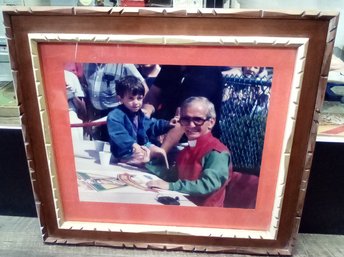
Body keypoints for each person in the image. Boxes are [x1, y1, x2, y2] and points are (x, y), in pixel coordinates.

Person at [146, 97, 232, 207]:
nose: (191, 125)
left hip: (205, 216)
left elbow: (208, 184)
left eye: (198, 120)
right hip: (182, 205)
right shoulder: (187, 149)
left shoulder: (217, 152)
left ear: (211, 122)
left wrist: (171, 186)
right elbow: (173, 176)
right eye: (186, 119)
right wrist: (146, 162)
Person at [107, 75, 176, 167]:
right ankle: (128, 160)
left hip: (142, 145)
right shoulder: (115, 116)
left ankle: (163, 169)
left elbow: (151, 125)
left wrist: (167, 124)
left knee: (161, 152)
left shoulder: (140, 114)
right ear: (120, 99)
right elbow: (119, 134)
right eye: (131, 98)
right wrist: (133, 145)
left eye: (139, 98)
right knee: (144, 157)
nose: (136, 102)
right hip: (124, 150)